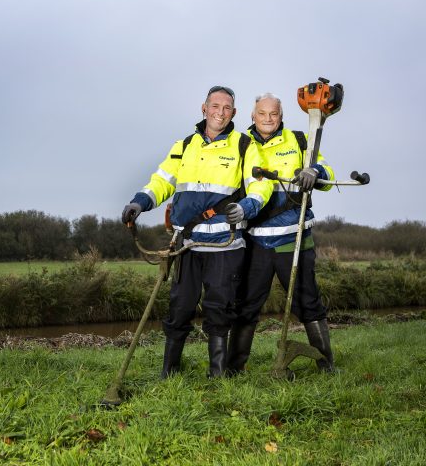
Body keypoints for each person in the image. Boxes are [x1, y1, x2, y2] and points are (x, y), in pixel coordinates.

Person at [121, 86, 271, 378]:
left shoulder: (245, 145)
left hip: (225, 244)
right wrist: (139, 203)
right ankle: (169, 373)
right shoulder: (185, 145)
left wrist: (247, 207)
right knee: (180, 307)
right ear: (204, 108)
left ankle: (217, 375)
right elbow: (162, 181)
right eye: (215, 106)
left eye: (226, 108)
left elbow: (260, 185)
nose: (220, 113)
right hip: (186, 243)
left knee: (219, 308)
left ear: (234, 113)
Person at [227, 92, 336, 375]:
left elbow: (329, 175)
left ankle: (327, 365)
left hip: (294, 239)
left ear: (281, 116)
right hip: (256, 242)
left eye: (273, 114)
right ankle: (234, 369)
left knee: (308, 302)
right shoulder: (241, 144)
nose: (268, 119)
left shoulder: (299, 140)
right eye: (262, 114)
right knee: (246, 304)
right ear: (252, 116)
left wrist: (315, 171)